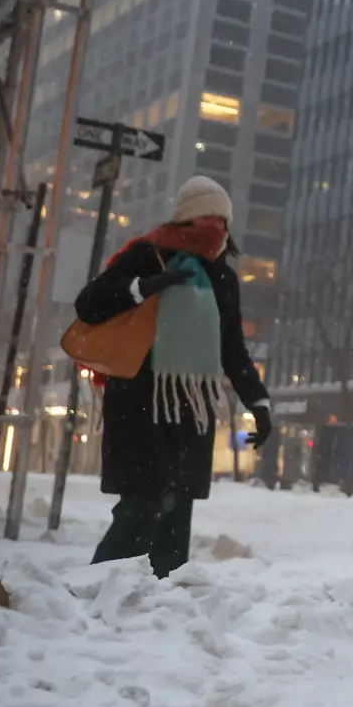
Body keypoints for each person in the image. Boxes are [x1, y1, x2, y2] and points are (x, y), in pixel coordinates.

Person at [74, 176, 272, 578]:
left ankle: (161, 600)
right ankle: (100, 587)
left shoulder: (222, 277)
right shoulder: (147, 255)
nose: (216, 227)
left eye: (222, 220)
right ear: (186, 218)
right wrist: (145, 287)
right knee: (142, 507)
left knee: (177, 512)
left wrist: (259, 403)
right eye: (208, 217)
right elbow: (89, 304)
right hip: (138, 403)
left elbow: (232, 349)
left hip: (191, 409)